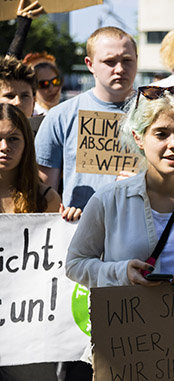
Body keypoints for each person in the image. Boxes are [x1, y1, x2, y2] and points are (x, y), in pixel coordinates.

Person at [66, 85, 174, 288]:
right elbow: (75, 264)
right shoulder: (108, 200)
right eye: (161, 134)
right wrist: (120, 272)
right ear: (138, 138)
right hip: (126, 317)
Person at [0, 103, 79, 380]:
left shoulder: (46, 199)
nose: (4, 147)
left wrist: (70, 224)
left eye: (13, 139)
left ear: (26, 144)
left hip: (28, 336)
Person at [35, 26, 138, 209]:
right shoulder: (61, 117)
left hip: (145, 230)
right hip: (77, 230)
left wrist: (150, 184)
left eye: (127, 60)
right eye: (109, 61)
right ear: (90, 65)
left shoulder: (158, 114)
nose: (120, 69)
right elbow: (44, 194)